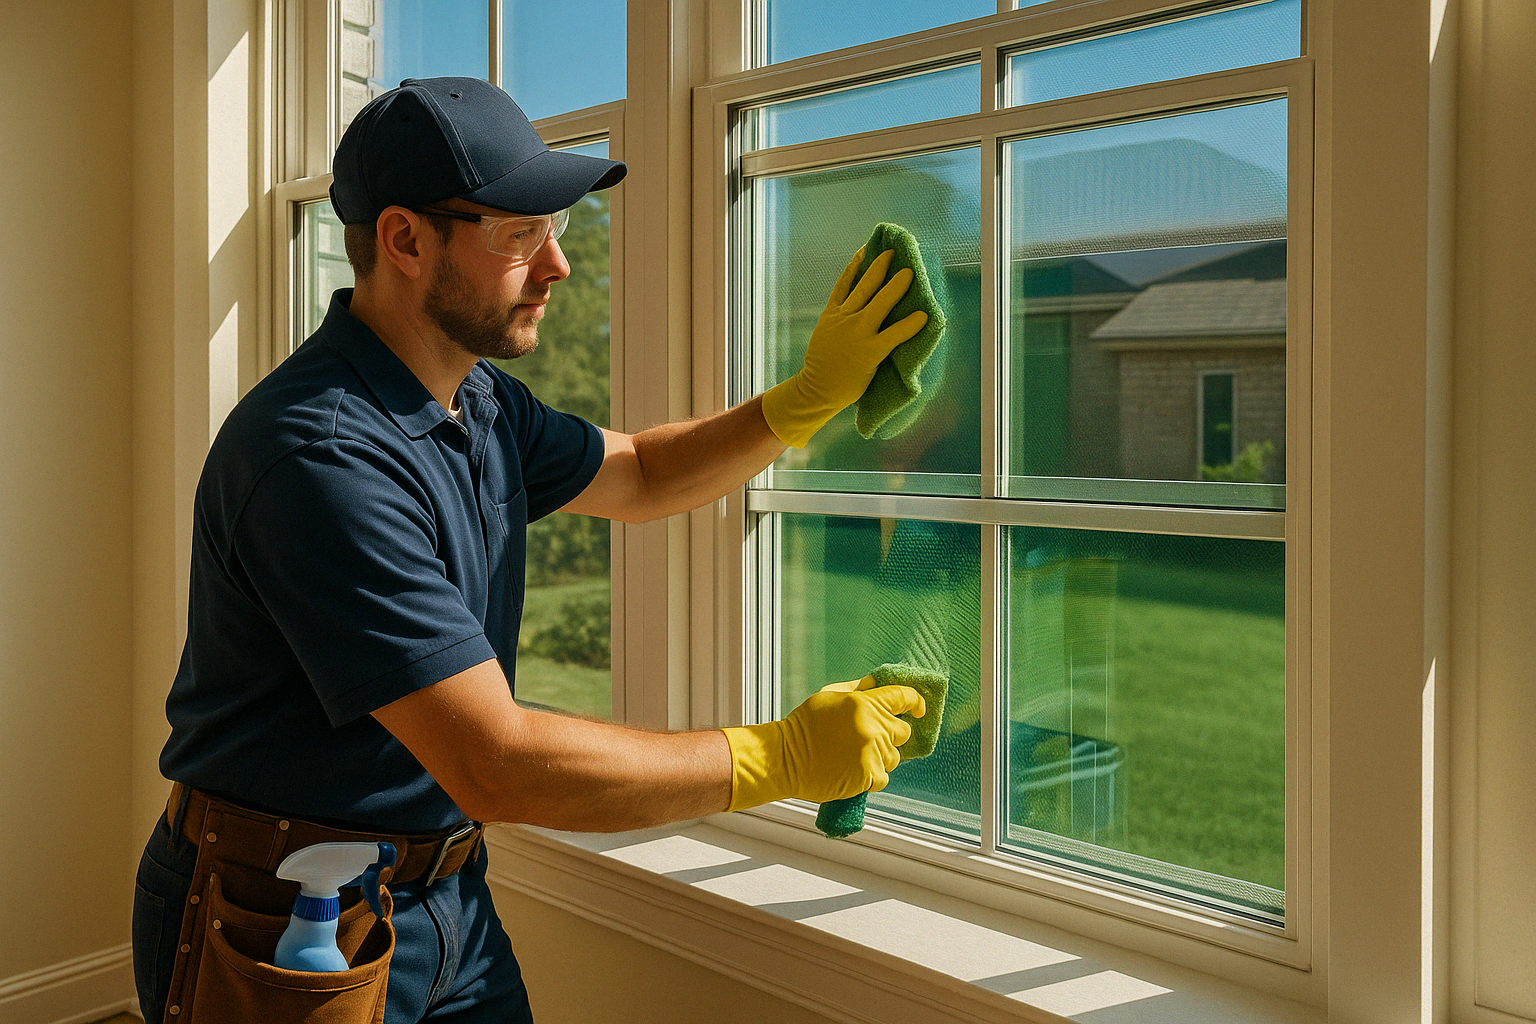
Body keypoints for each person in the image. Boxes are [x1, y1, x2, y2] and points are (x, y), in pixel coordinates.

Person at [131, 77, 931, 1024]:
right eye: (519, 236)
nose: (557, 265)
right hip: (276, 916)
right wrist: (782, 758)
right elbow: (496, 761)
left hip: (444, 897)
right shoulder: (320, 453)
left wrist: (806, 398)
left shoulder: (478, 402)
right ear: (404, 239)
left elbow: (637, 472)